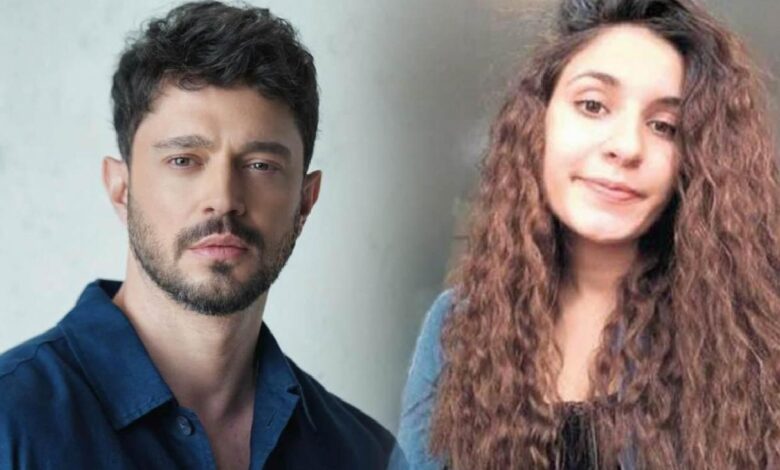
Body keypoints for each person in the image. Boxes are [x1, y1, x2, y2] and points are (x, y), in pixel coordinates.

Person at [0, 2, 396, 469]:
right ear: (120, 188)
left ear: (305, 200)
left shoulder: (364, 453)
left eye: (261, 165)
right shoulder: (11, 425)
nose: (223, 197)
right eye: (184, 159)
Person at [397, 0, 780, 468]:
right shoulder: (454, 326)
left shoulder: (743, 335)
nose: (626, 146)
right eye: (593, 105)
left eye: (664, 126)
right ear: (538, 122)